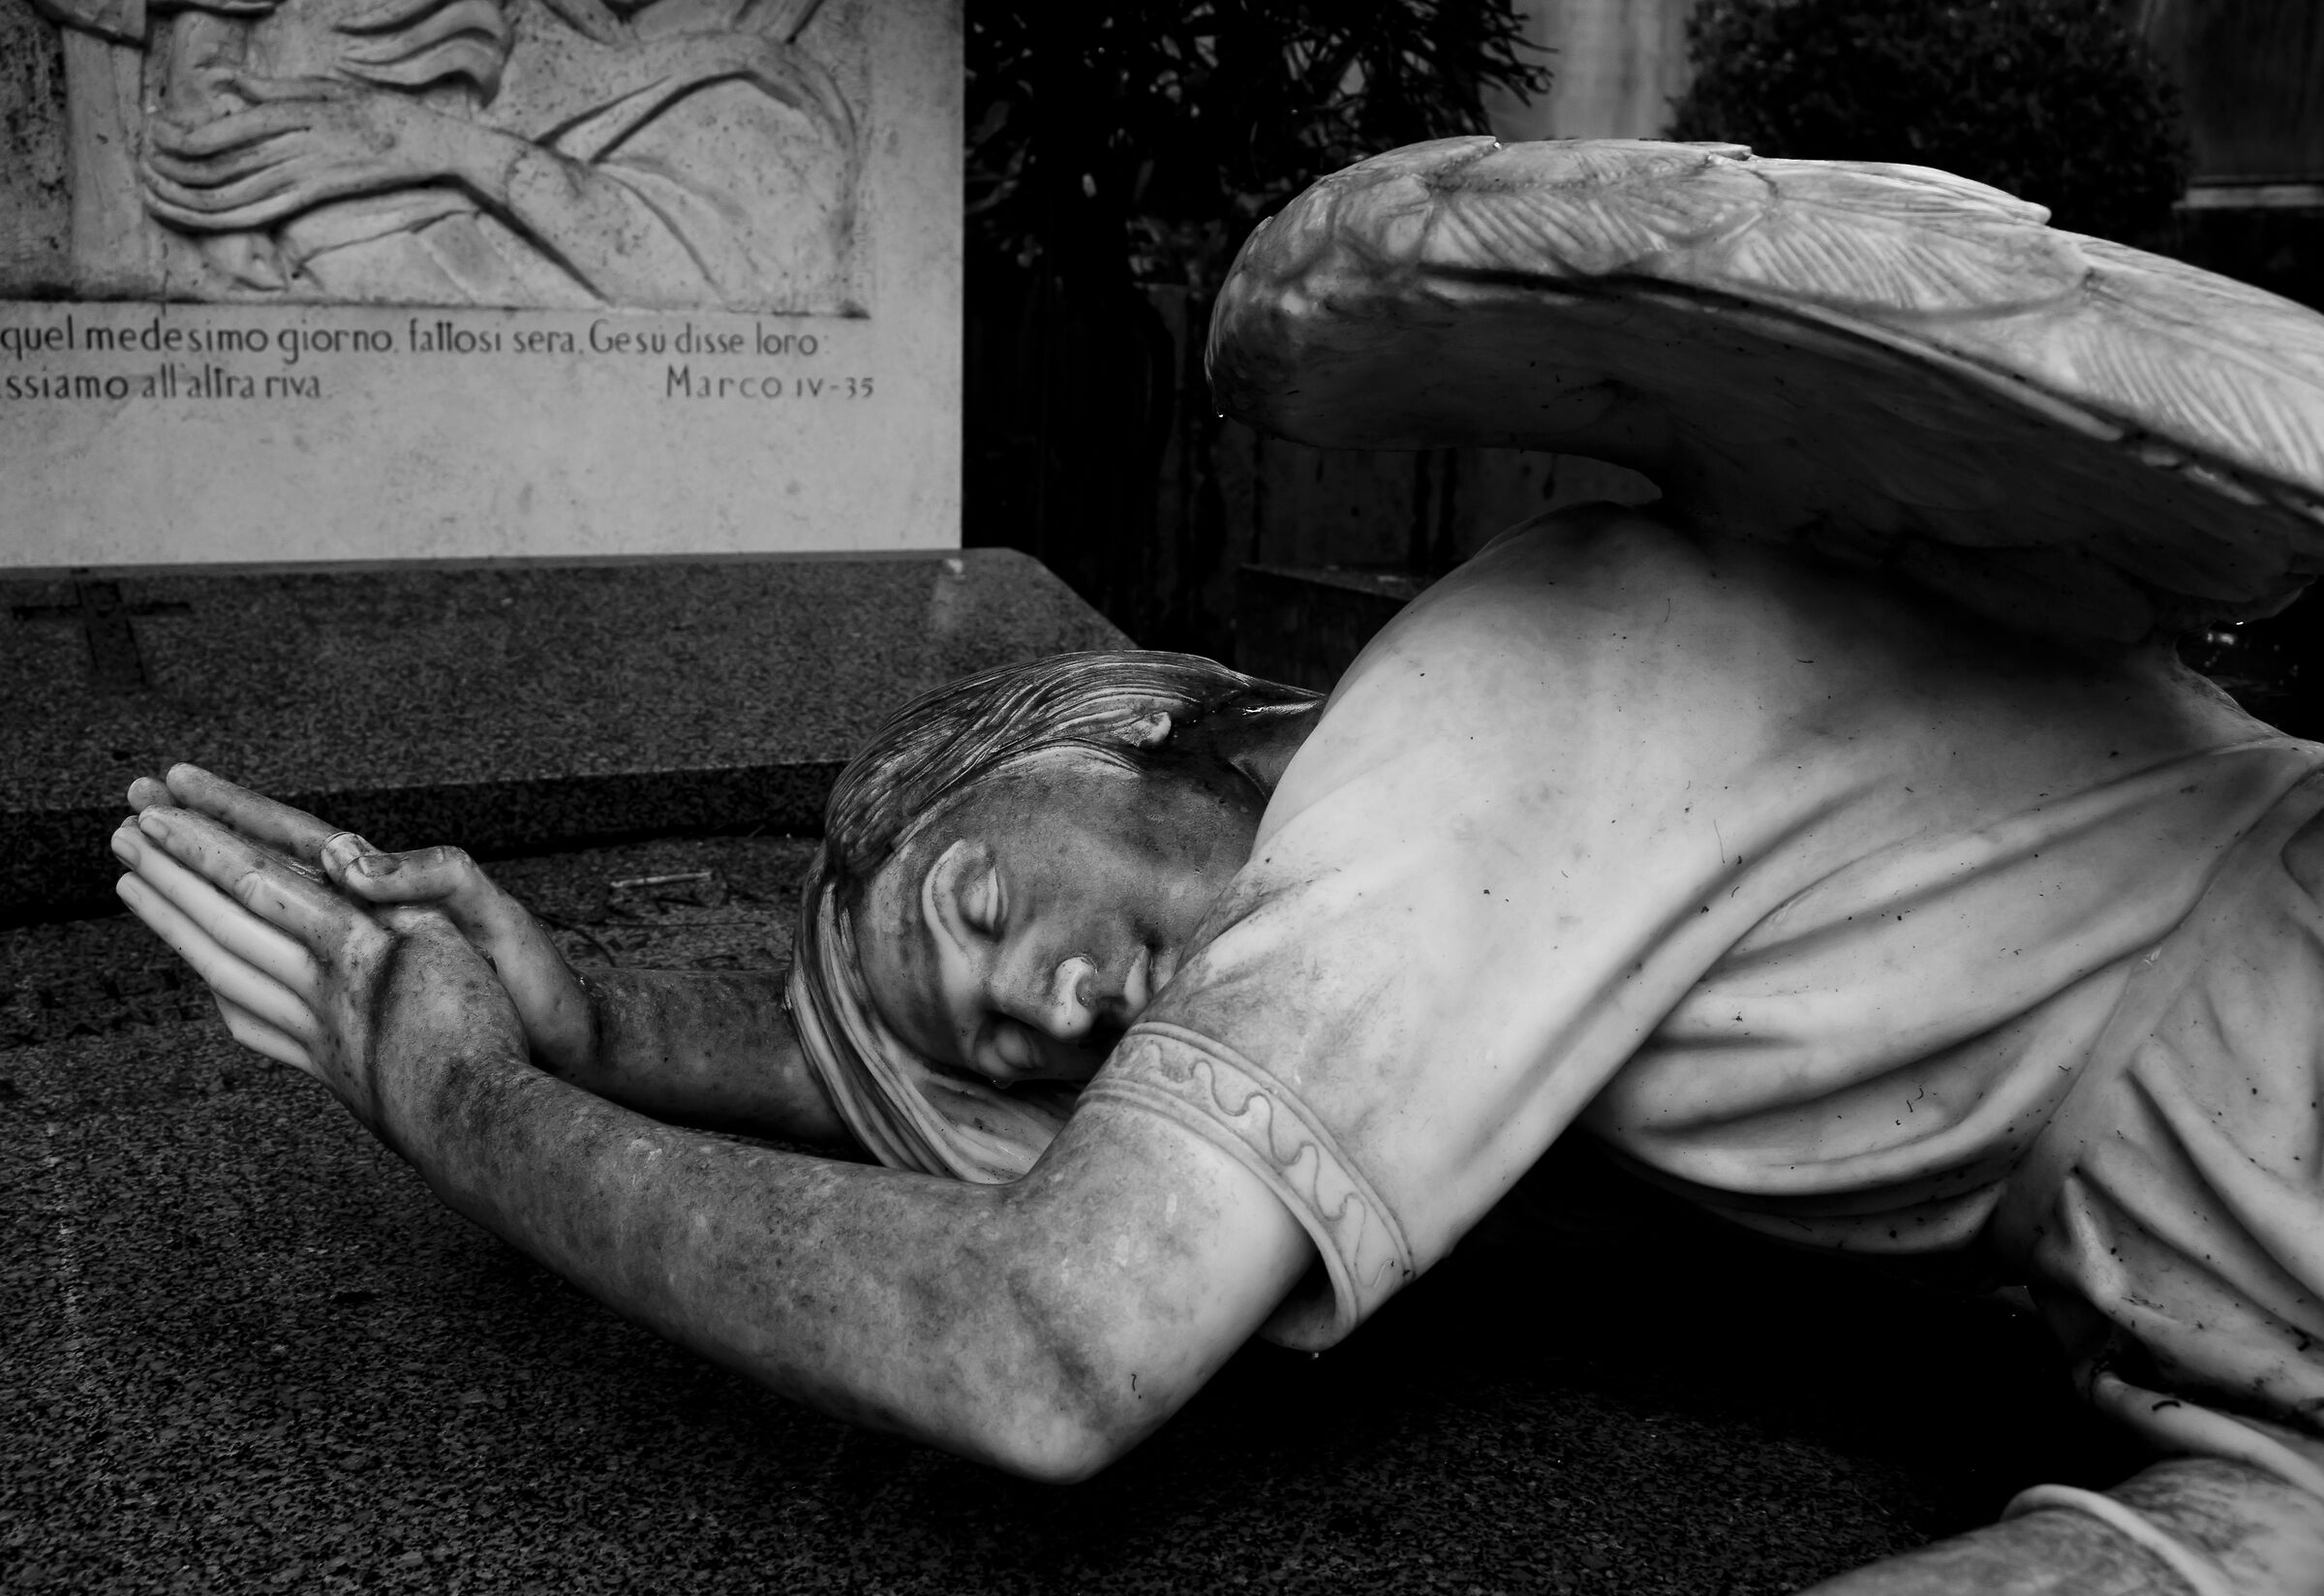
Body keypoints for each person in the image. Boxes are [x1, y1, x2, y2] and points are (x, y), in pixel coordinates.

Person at [111, 139, 2324, 1593]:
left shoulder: (1487, 706)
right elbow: (959, 1103)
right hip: (2230, 1371)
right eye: (1025, 1053)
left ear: (1111, 722)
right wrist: (607, 1025)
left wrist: (466, 1101)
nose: (1050, 1005)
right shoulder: (1474, 909)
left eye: (978, 906)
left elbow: (1043, 1341)